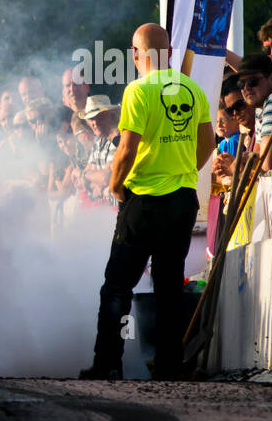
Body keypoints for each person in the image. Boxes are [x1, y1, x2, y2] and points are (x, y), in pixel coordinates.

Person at [81, 23, 213, 381]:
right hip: (183, 199)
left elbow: (127, 148)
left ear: (136, 55)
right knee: (169, 284)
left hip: (144, 201)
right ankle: (171, 364)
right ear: (169, 54)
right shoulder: (192, 88)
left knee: (118, 285)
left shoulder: (138, 90)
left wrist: (114, 185)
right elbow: (209, 141)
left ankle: (108, 363)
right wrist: (185, 170)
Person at [79, 94, 121, 203]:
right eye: (91, 118)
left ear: (111, 116)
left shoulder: (119, 139)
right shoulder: (98, 142)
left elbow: (104, 178)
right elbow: (87, 178)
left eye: (100, 117)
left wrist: (85, 176)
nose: (95, 123)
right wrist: (87, 176)